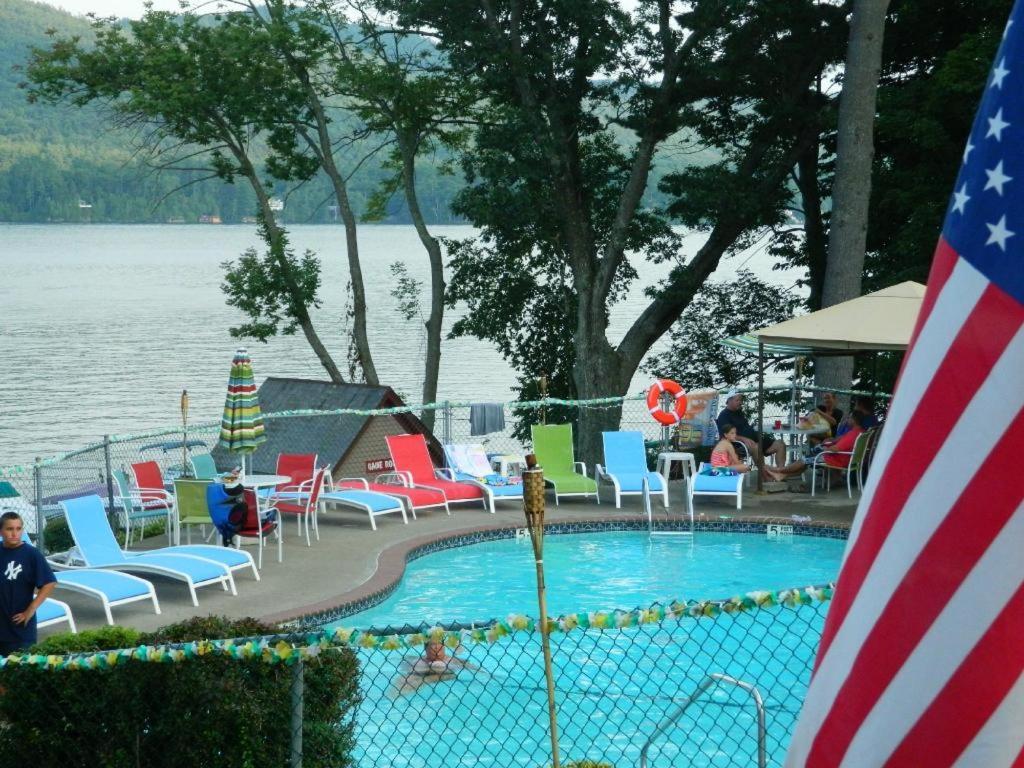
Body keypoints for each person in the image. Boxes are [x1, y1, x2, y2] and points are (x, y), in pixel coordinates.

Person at [0, 512, 57, 656]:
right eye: (9, 529)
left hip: (20, 628)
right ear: (1, 531)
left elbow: (49, 582)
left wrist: (30, 610)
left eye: (18, 529)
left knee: (20, 670)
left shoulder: (31, 554)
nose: (14, 533)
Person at [765, 411, 867, 482]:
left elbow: (835, 449)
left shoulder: (851, 435)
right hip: (846, 459)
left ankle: (778, 470)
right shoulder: (860, 432)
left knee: (805, 459)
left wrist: (825, 448)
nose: (847, 420)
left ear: (854, 420)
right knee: (809, 459)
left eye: (849, 418)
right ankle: (781, 475)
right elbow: (839, 441)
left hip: (836, 459)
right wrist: (830, 442)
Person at [716, 390, 786, 468]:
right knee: (755, 447)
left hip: (754, 441)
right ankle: (765, 475)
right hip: (738, 446)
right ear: (729, 400)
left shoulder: (739, 412)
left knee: (780, 444)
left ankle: (780, 473)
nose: (740, 402)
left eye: (741, 400)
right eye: (737, 400)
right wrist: (743, 439)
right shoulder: (724, 415)